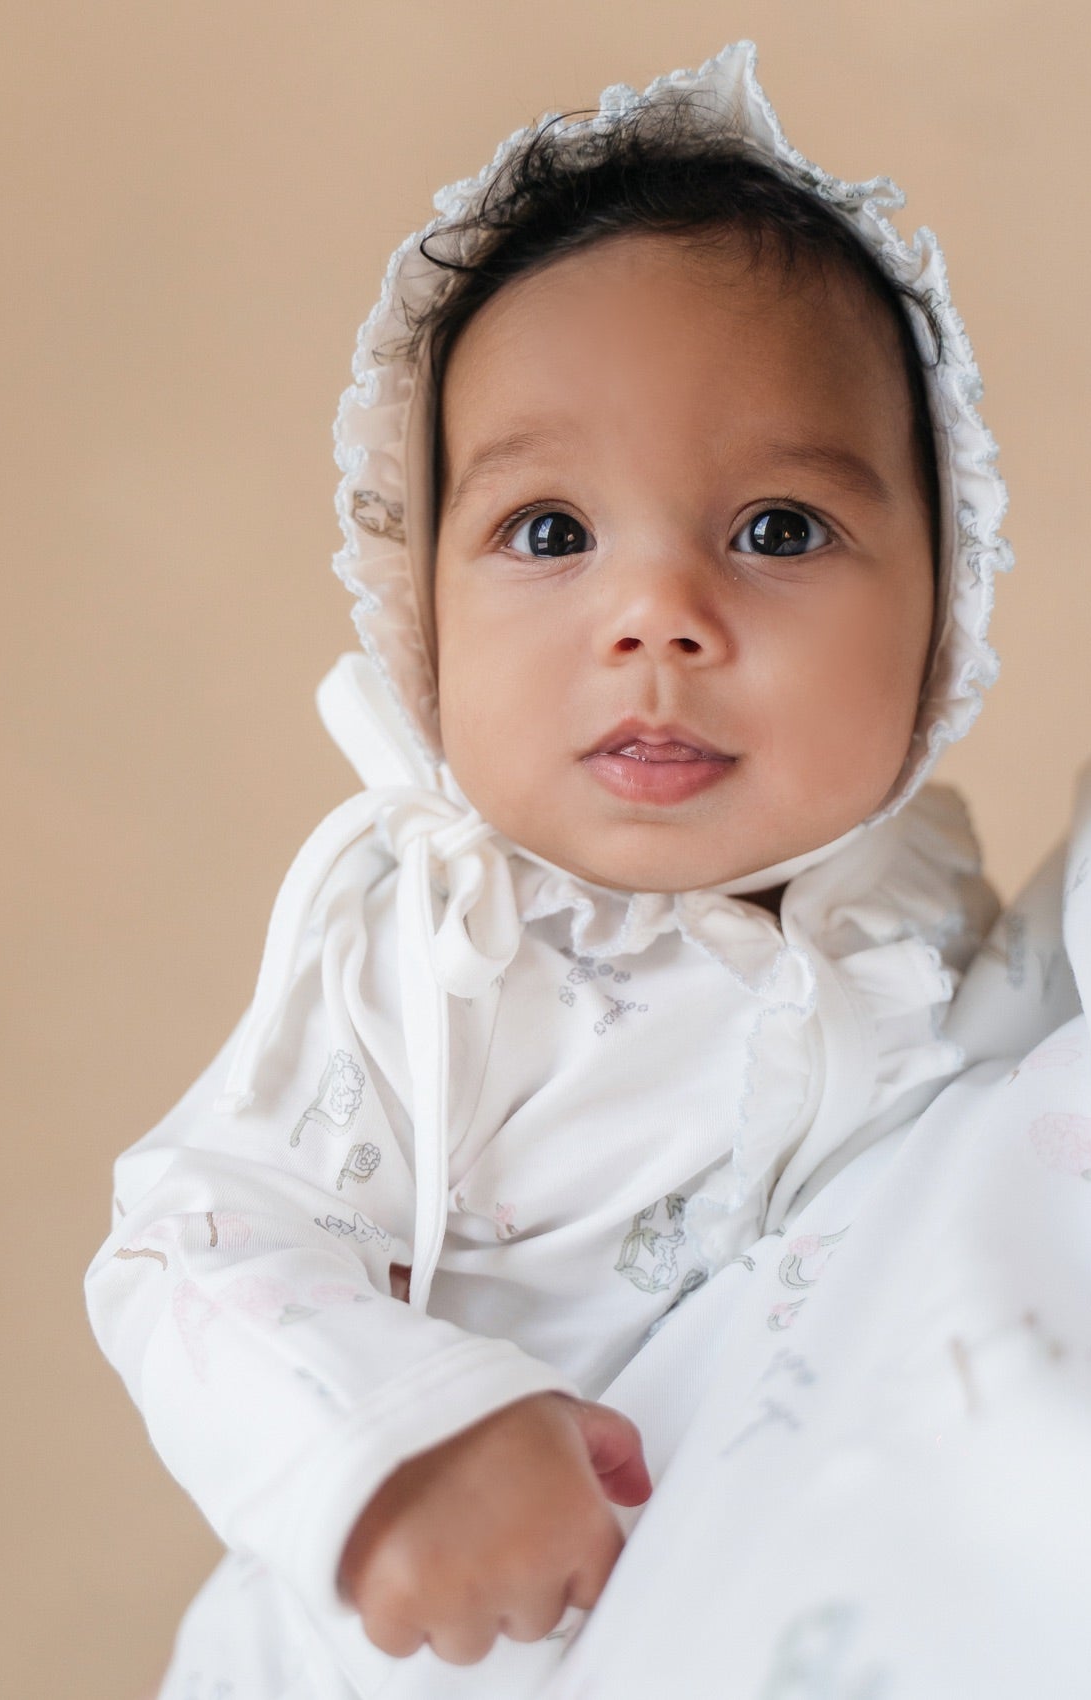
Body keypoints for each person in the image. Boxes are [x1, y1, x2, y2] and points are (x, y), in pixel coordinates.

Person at [86, 40, 1014, 1699]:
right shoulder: (435, 949)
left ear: (947, 606)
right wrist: (395, 1446)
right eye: (551, 533)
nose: (657, 616)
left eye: (779, 529)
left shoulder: (932, 906)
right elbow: (193, 1237)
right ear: (421, 610)